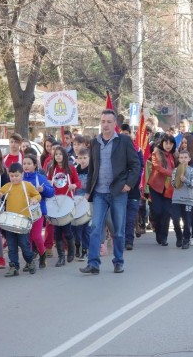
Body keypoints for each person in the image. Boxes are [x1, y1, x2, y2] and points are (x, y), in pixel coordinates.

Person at [79, 109, 141, 275]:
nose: (105, 125)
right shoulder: (95, 142)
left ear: (115, 124)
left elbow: (136, 165)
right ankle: (93, 263)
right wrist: (88, 190)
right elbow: (92, 169)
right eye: (103, 121)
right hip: (99, 193)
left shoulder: (124, 141)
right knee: (95, 227)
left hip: (118, 192)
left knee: (118, 229)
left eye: (108, 122)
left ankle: (118, 261)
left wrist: (129, 184)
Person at [0, 163, 41, 276]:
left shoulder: (27, 185)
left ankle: (30, 261)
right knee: (11, 245)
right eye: (12, 176)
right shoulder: (8, 186)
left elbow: (38, 195)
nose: (14, 178)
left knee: (24, 244)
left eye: (16, 175)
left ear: (22, 174)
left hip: (23, 221)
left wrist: (34, 199)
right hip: (9, 222)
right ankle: (14, 267)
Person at [47, 146, 80, 266]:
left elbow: (78, 182)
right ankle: (61, 257)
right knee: (57, 231)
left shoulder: (70, 168)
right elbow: (48, 183)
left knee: (66, 230)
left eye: (60, 154)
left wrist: (74, 186)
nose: (58, 156)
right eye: (56, 155)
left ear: (64, 155)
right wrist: (48, 184)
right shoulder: (52, 169)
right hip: (55, 202)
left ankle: (71, 250)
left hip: (67, 201)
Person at [22, 154, 55, 269]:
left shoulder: (40, 177)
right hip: (24, 212)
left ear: (35, 165)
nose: (26, 166)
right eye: (24, 163)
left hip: (37, 212)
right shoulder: (20, 178)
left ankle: (42, 254)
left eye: (29, 163)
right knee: (27, 238)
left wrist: (43, 189)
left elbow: (51, 192)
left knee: (36, 236)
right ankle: (29, 260)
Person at [147, 134, 176, 246]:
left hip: (169, 188)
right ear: (162, 143)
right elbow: (158, 168)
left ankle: (164, 237)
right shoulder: (156, 153)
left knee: (167, 212)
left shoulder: (175, 155)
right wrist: (171, 173)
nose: (168, 145)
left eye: (171, 143)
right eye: (166, 143)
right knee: (157, 211)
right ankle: (158, 231)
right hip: (156, 186)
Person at [170, 150, 193, 249]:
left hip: (188, 199)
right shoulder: (175, 170)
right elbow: (173, 184)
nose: (183, 159)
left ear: (189, 159)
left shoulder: (192, 170)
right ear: (179, 159)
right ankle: (179, 236)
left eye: (185, 157)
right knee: (175, 219)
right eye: (181, 157)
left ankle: (186, 239)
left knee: (187, 220)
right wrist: (178, 179)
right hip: (176, 199)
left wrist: (185, 180)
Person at [75, 148, 92, 260]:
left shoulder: (92, 171)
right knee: (77, 225)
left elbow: (93, 185)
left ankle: (85, 249)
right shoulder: (75, 170)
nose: (82, 160)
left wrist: (89, 193)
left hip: (88, 200)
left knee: (86, 226)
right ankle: (77, 245)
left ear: (89, 159)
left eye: (85, 158)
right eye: (80, 158)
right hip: (77, 201)